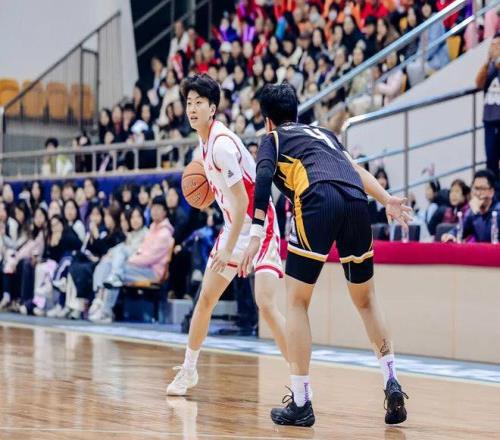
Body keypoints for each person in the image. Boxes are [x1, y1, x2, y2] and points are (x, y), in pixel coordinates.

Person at [238, 84, 411, 427]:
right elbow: (356, 170)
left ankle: (302, 401)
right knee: (367, 299)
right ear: (296, 112)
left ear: (267, 120)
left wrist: (256, 232)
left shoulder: (272, 139)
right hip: (356, 202)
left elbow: (263, 177)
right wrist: (386, 198)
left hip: (317, 198)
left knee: (297, 302)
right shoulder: (325, 135)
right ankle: (391, 378)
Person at [166, 74, 288, 396]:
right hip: (234, 225)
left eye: (199, 103)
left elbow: (244, 201)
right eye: (188, 103)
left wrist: (229, 247)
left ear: (213, 108)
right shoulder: (204, 142)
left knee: (265, 303)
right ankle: (189, 370)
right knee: (205, 299)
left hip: (259, 225)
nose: (192, 109)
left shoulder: (220, 146)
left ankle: (300, 377)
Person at [442, 170, 500, 243]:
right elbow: (460, 229)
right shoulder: (472, 212)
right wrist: (450, 235)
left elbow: (487, 238)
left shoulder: (498, 211)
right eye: (476, 188)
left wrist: (478, 213)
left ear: (491, 192)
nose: (478, 193)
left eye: (482, 189)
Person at [476, 32, 500, 182]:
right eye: (493, 44)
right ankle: (492, 185)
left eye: (498, 45)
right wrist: (487, 63)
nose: (495, 47)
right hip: (489, 117)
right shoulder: (489, 66)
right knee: (490, 156)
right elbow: (478, 83)